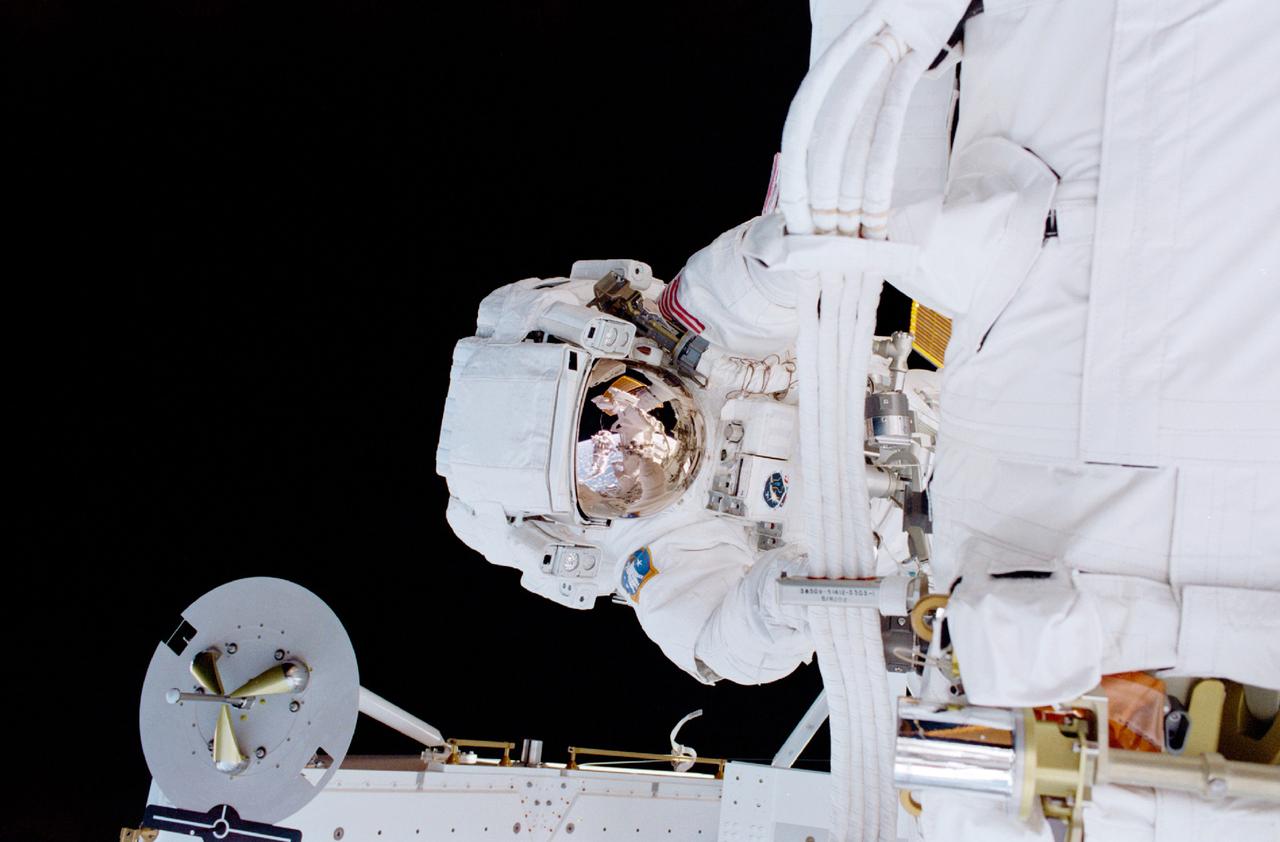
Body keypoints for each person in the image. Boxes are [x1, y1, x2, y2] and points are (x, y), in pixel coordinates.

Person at [436, 238, 938, 687]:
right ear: (575, 521)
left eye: (610, 405)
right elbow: (722, 641)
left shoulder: (686, 339)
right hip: (924, 563)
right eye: (598, 466)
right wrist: (786, 601)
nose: (628, 440)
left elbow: (756, 279)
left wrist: (804, 243)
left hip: (946, 416)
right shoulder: (652, 549)